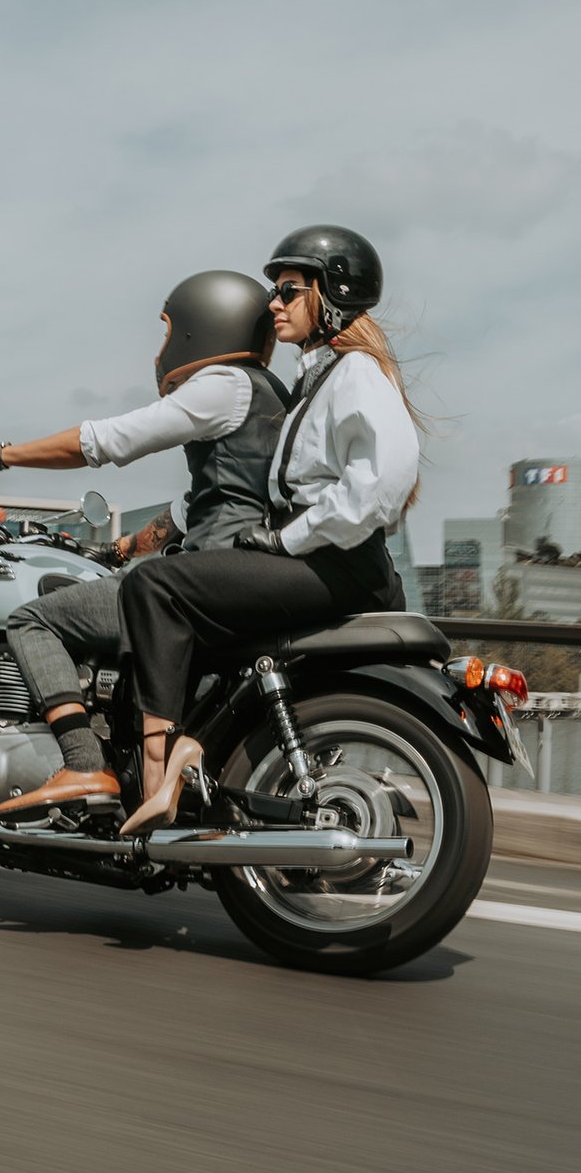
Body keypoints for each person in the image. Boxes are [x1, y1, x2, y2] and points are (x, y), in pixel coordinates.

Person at [0, 270, 288, 816]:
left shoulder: (224, 383)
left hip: (207, 580)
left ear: (201, 329)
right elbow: (205, 501)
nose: (162, 347)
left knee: (33, 621)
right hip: (244, 573)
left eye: (169, 330)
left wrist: (0, 455)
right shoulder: (272, 396)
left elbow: (104, 441)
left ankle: (84, 763)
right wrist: (124, 549)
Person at [117, 225, 423, 836]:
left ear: (329, 294)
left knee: (153, 589)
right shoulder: (318, 378)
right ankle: (198, 757)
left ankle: (158, 773)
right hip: (332, 563)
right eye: (273, 292)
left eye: (288, 290)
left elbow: (380, 484)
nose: (273, 303)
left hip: (333, 564)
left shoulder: (355, 372)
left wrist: (287, 539)